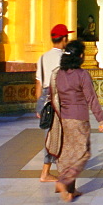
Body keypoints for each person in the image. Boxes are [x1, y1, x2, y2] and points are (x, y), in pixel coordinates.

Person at [47, 40, 103, 201]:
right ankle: (63, 181)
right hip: (79, 119)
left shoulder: (58, 74)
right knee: (83, 153)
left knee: (67, 154)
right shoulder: (82, 75)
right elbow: (91, 98)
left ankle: (71, 191)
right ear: (80, 56)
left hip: (63, 119)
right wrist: (101, 119)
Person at [36, 24, 71, 183]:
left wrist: (39, 106)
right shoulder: (65, 58)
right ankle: (48, 173)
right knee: (58, 136)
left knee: (51, 135)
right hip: (59, 98)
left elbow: (39, 83)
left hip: (45, 98)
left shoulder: (43, 57)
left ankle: (48, 171)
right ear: (64, 39)